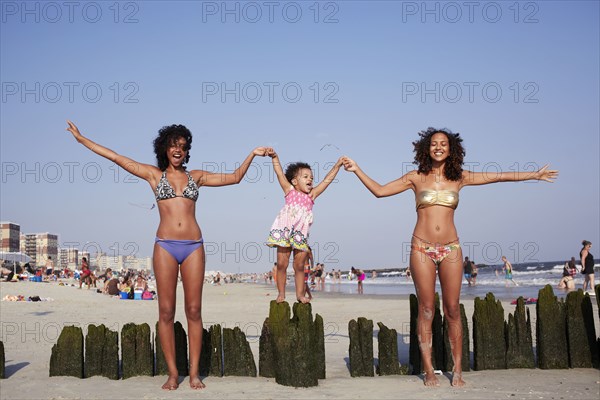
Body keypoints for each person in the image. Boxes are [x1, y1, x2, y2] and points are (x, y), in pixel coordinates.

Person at [342, 127, 557, 387]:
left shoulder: (460, 177)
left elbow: (498, 176)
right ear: (426, 148)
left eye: (443, 143)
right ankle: (429, 370)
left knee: (453, 309)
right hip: (421, 248)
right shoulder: (415, 177)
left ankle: (457, 370)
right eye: (434, 143)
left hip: (451, 249)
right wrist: (357, 169)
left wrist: (534, 174)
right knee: (427, 308)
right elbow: (379, 191)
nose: (439, 147)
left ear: (451, 148)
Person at [66, 120, 268, 390]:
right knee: (165, 311)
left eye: (183, 147)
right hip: (165, 246)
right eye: (174, 145)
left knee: (194, 310)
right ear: (164, 148)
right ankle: (173, 373)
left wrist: (252, 154)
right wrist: (82, 140)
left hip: (194, 246)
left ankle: (194, 373)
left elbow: (235, 177)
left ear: (187, 151)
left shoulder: (197, 176)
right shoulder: (154, 175)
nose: (178, 150)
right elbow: (116, 158)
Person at [265, 149, 343, 304]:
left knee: (299, 265)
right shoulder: (290, 191)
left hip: (300, 234)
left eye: (312, 178)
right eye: (305, 177)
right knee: (282, 264)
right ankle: (281, 294)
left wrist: (338, 165)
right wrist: (275, 157)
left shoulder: (311, 196)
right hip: (284, 230)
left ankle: (300, 295)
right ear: (294, 181)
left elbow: (327, 181)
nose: (310, 180)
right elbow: (280, 174)